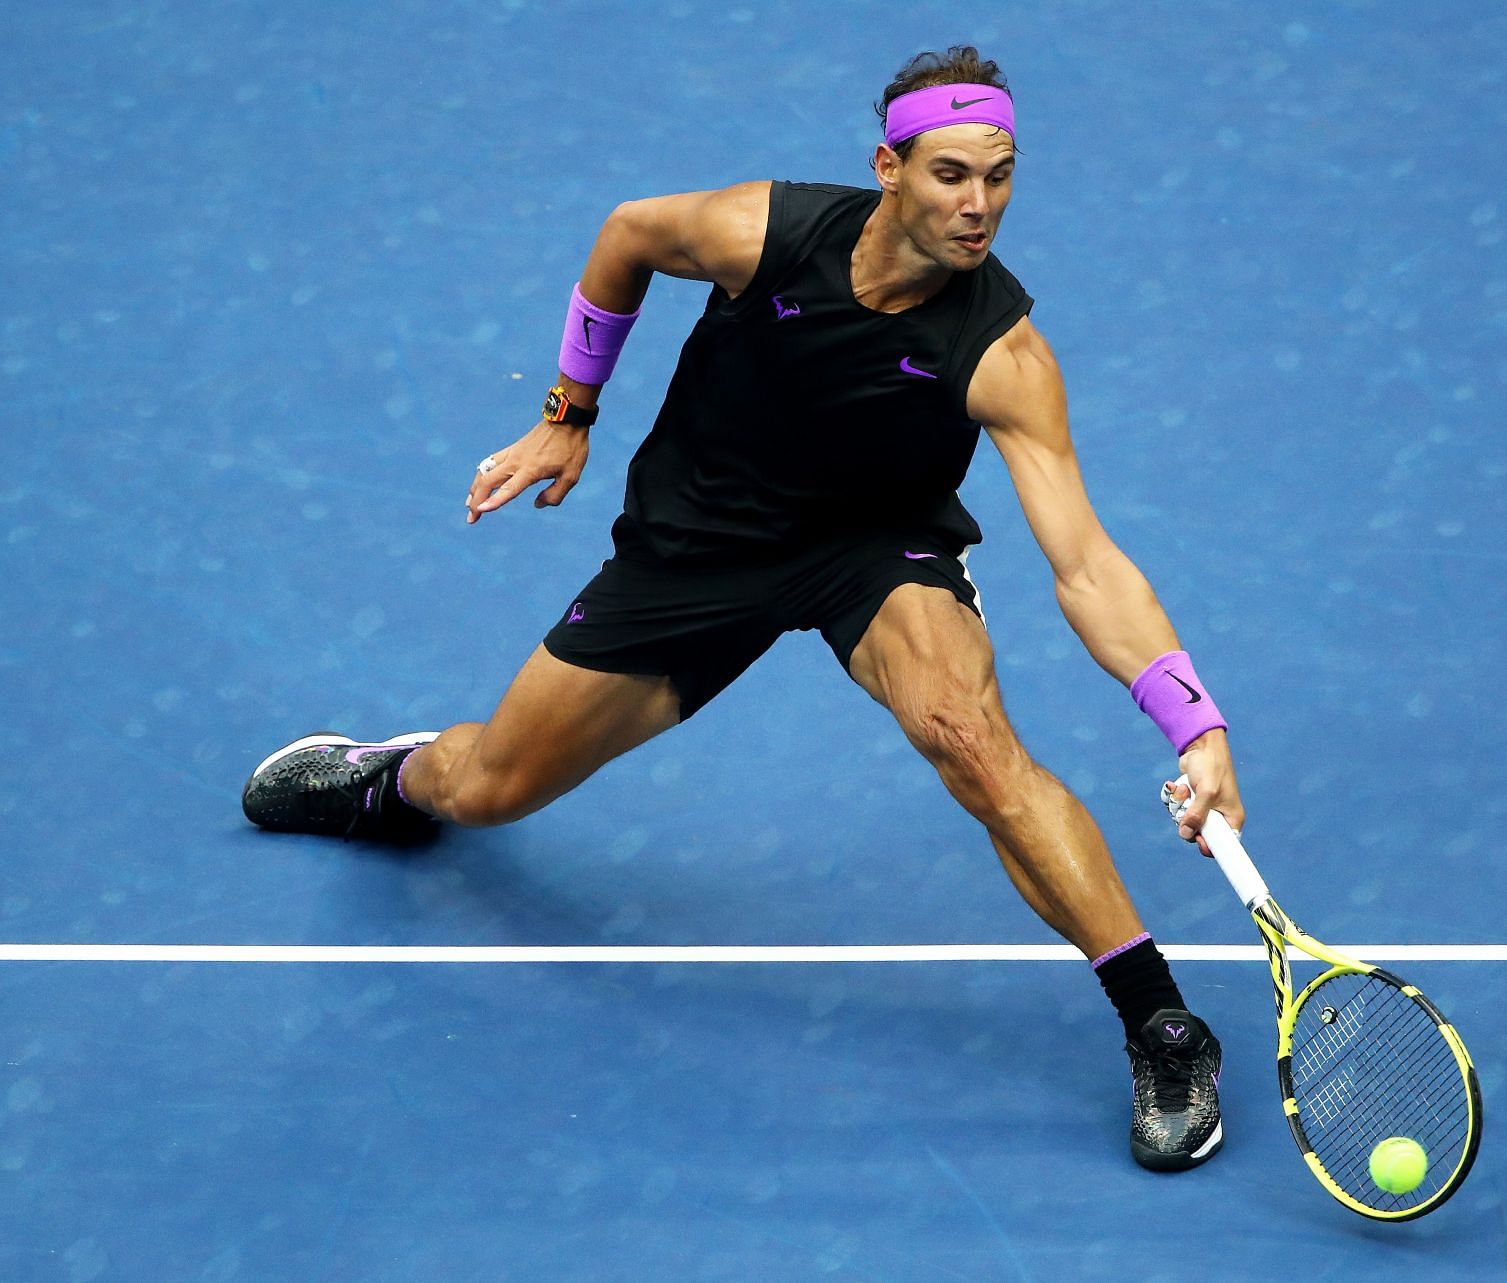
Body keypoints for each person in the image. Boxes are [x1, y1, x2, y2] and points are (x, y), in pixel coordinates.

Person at [244, 46, 1247, 1172]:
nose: (980, 206)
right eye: (952, 174)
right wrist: (570, 408)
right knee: (491, 787)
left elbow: (1089, 565)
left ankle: (1163, 1023)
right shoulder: (759, 233)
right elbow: (627, 234)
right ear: (890, 168)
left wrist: (1192, 721)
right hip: (699, 548)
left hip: (874, 547)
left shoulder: (1002, 353)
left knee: (971, 739)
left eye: (1001, 176)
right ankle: (393, 774)